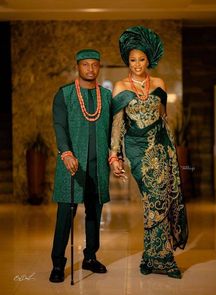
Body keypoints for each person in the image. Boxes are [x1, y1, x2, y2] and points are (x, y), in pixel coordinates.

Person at [109, 26, 188, 279]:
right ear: (127, 61)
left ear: (149, 59)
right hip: (137, 149)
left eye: (141, 59)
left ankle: (158, 258)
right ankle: (156, 257)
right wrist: (115, 155)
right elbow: (118, 124)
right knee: (153, 197)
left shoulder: (160, 84)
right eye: (132, 60)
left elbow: (164, 118)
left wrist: (170, 149)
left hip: (161, 147)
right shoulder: (120, 86)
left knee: (159, 200)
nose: (137, 64)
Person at [49, 49, 112, 283]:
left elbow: (114, 128)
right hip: (72, 165)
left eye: (94, 65)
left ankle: (90, 257)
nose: (90, 69)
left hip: (97, 166)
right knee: (65, 214)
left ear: (99, 67)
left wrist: (115, 156)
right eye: (85, 65)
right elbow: (59, 126)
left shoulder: (106, 96)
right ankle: (57, 263)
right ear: (78, 66)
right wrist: (66, 152)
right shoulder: (64, 94)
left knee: (94, 213)